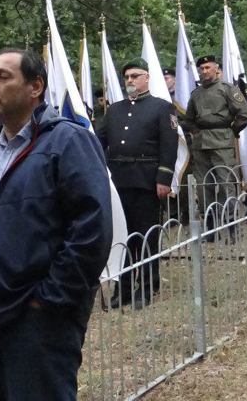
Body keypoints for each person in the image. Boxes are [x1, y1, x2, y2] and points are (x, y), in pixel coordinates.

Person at [0, 48, 112, 401]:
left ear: (35, 87)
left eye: (3, 76)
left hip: (35, 323)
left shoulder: (67, 140)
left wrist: (47, 301)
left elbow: (92, 228)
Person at [97, 59, 177, 309]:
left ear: (146, 77)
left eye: (134, 76)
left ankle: (148, 286)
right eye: (127, 77)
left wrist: (164, 178)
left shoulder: (162, 107)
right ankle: (123, 287)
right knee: (122, 235)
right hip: (118, 180)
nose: (130, 80)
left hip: (146, 180)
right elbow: (98, 141)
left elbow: (169, 146)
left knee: (146, 235)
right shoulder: (114, 110)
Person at [182, 56, 247, 235]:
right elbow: (188, 119)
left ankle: (230, 222)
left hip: (222, 141)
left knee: (225, 181)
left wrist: (231, 131)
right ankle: (210, 224)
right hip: (200, 144)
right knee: (203, 184)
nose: (204, 71)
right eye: (201, 69)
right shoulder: (196, 94)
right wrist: (195, 131)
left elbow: (244, 115)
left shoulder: (227, 89)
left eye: (208, 67)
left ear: (216, 68)